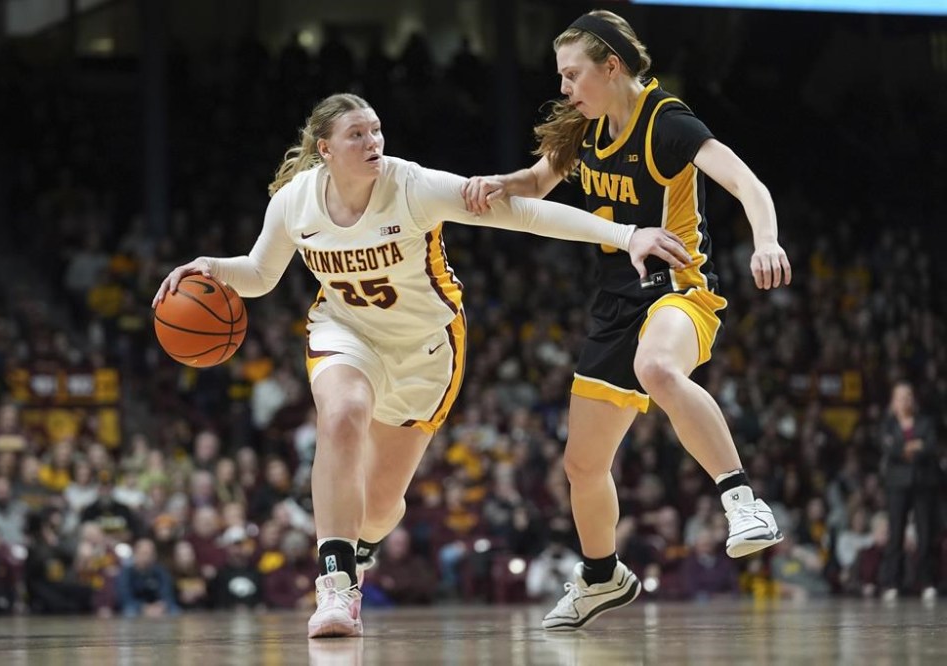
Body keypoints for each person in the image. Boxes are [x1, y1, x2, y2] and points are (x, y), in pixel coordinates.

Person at [152, 92, 690, 638]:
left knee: (381, 508)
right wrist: (211, 268)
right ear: (326, 149)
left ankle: (361, 548)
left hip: (426, 350)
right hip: (347, 330)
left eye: (376, 131)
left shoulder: (410, 185)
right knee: (342, 416)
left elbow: (523, 215)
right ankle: (335, 586)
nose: (373, 143)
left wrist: (625, 235)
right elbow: (260, 275)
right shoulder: (295, 202)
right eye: (357, 135)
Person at [462, 10, 791, 630]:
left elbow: (747, 183)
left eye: (572, 74)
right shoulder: (584, 127)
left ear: (611, 67)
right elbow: (539, 181)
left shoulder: (666, 122)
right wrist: (500, 184)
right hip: (616, 301)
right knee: (582, 466)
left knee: (658, 367)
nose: (563, 87)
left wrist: (766, 240)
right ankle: (601, 576)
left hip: (679, 290)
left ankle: (743, 502)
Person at [878, 381, 940, 602]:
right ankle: (892, 582)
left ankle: (926, 581)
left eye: (908, 396)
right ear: (893, 402)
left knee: (925, 534)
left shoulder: (925, 422)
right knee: (895, 533)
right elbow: (889, 448)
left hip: (923, 484)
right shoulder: (888, 424)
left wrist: (905, 447)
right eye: (900, 397)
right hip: (897, 485)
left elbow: (931, 447)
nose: (905, 400)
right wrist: (914, 446)